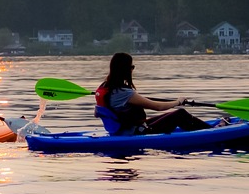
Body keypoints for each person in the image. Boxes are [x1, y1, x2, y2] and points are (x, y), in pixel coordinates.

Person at [93, 51, 228, 135]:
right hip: (135, 133)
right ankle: (213, 132)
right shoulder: (124, 93)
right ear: (125, 69)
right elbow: (158, 107)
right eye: (131, 67)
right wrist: (178, 101)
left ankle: (209, 129)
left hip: (123, 131)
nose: (132, 69)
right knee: (180, 114)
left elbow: (97, 113)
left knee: (171, 115)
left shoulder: (104, 88)